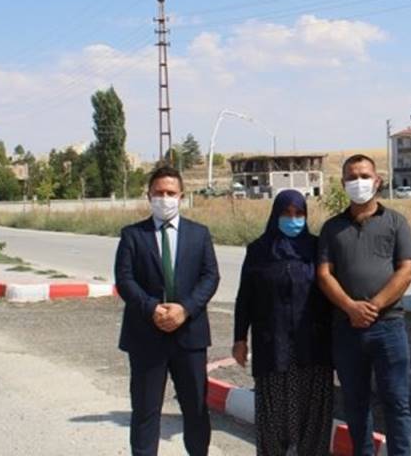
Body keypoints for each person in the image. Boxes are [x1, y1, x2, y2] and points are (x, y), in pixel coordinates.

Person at [317, 154, 411, 456]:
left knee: (397, 402)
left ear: (377, 180)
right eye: (351, 177)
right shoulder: (331, 228)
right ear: (343, 183)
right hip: (347, 330)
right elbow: (324, 274)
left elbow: (406, 270)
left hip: (388, 327)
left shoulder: (396, 222)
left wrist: (372, 306)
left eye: (363, 175)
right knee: (355, 403)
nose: (358, 182)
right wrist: (350, 307)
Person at [114, 166, 220, 456]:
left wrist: (185, 309)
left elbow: (210, 276)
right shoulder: (133, 235)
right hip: (147, 337)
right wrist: (152, 309)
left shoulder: (200, 235)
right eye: (158, 193)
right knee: (146, 410)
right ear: (148, 196)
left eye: (170, 193)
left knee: (196, 408)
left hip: (190, 337)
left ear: (181, 196)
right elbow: (124, 279)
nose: (164, 198)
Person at [232, 189, 335, 455]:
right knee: (273, 422)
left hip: (313, 348)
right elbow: (245, 298)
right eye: (286, 213)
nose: (293, 219)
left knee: (313, 421)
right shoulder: (258, 250)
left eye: (299, 213)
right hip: (273, 346)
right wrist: (240, 339)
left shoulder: (317, 248)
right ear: (275, 215)